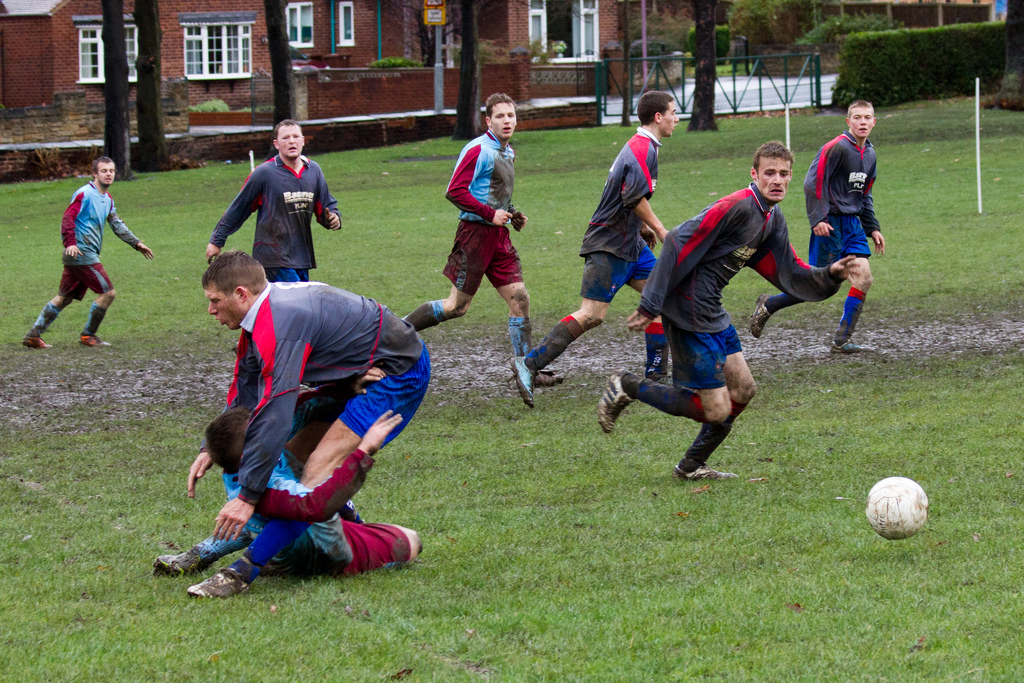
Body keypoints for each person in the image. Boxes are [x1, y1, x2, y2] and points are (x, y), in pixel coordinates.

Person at [596, 142, 856, 479]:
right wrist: (651, 301)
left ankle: (690, 466)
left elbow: (789, 271)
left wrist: (830, 274)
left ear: (791, 176)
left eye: (783, 174)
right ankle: (627, 385)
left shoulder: (771, 219)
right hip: (687, 307)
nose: (777, 180)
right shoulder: (736, 206)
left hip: (711, 308)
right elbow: (675, 240)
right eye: (769, 173)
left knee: (744, 390)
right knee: (716, 410)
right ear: (754, 174)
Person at [186, 250, 430, 597]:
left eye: (215, 301)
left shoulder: (279, 325)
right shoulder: (260, 318)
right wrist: (211, 447)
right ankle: (344, 527)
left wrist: (248, 496)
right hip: (355, 375)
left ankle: (242, 571)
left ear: (241, 294)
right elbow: (245, 388)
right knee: (291, 463)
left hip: (394, 374)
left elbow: (276, 408)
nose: (210, 310)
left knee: (312, 473)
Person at [511, 91, 679, 407]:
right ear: (658, 117)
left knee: (662, 295)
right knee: (591, 315)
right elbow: (632, 198)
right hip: (609, 244)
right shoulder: (642, 148)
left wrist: (641, 228)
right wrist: (658, 228)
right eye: (673, 112)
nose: (676, 118)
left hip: (629, 242)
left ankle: (656, 376)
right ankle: (529, 364)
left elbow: (626, 195)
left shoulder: (644, 147)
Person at [170, 408, 420, 597]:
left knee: (297, 483)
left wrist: (346, 387)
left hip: (297, 541)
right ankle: (241, 572)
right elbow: (315, 506)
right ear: (255, 449)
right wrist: (364, 450)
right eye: (263, 432)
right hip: (328, 551)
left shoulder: (237, 475)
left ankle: (200, 553)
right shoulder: (276, 490)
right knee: (412, 540)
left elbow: (300, 412)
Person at [403, 93, 537, 364]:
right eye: (499, 116)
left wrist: (512, 213)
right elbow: (454, 191)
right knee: (457, 306)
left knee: (520, 299)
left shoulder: (508, 151)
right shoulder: (478, 149)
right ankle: (393, 331)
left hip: (499, 238)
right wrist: (490, 214)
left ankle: (526, 367)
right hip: (474, 237)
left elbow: (493, 193)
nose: (506, 121)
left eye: (510, 115)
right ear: (489, 121)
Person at [749, 100, 885, 353]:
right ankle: (769, 305)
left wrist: (872, 227)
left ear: (874, 122)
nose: (863, 122)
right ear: (848, 121)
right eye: (857, 117)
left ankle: (842, 340)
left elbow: (864, 194)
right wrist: (818, 219)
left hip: (853, 225)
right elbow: (813, 183)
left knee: (863, 277)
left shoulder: (871, 155)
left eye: (867, 117)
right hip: (830, 224)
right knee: (820, 286)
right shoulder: (835, 148)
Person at [22, 157, 154, 348]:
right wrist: (70, 243)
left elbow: (116, 224)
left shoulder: (107, 199)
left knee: (64, 297)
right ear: (95, 174)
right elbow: (68, 218)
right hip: (81, 253)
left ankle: (33, 335)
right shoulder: (85, 194)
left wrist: (136, 243)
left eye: (112, 171)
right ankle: (88, 335)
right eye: (104, 171)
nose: (109, 174)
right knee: (108, 293)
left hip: (79, 254)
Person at [206, 120, 341, 282]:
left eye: (296, 136)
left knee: (292, 306)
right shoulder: (264, 173)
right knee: (295, 304)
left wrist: (334, 218)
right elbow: (238, 208)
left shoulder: (314, 171)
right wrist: (216, 240)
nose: (291, 141)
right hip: (273, 257)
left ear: (303, 141)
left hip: (302, 256)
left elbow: (325, 207)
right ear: (276, 144)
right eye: (285, 138)